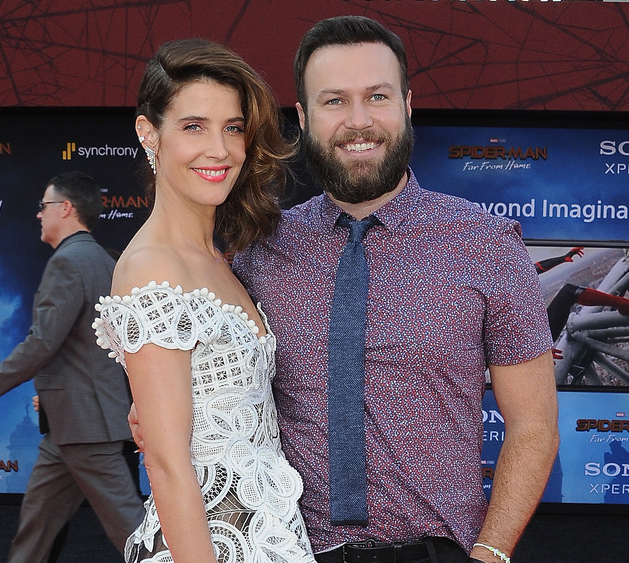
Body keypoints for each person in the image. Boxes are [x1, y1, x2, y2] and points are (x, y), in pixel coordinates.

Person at [231, 16, 561, 563]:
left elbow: (534, 426)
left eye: (377, 97)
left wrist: (491, 553)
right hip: (290, 549)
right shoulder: (261, 252)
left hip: (440, 550)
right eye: (334, 101)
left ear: (407, 106)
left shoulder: (488, 243)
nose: (358, 122)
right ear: (305, 116)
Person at [92, 39, 315, 562]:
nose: (219, 150)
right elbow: (168, 465)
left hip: (263, 532)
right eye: (194, 126)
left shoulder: (219, 259)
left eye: (232, 128)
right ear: (150, 134)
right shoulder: (153, 267)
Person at [0, 171, 145, 562]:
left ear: (66, 208)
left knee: (134, 533)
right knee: (36, 531)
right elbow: (87, 350)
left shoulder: (68, 263)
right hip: (71, 424)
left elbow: (43, 343)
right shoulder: (103, 260)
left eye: (44, 206)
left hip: (86, 427)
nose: (38, 215)